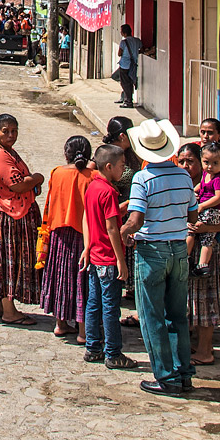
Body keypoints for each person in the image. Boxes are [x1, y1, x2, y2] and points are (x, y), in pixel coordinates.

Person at [122, 119, 195, 397]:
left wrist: (122, 233)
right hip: (179, 249)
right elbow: (192, 215)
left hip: (152, 251)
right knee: (177, 314)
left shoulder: (143, 179)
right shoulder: (184, 176)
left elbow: (137, 219)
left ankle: (166, 377)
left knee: (151, 315)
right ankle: (183, 372)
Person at [0, 113, 43, 325]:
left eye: (14, 131)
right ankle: (9, 311)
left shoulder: (3, 150)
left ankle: (0, 305)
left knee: (3, 259)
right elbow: (17, 185)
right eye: (6, 131)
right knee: (7, 261)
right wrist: (38, 178)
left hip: (6, 215)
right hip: (8, 216)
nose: (11, 135)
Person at [37, 136, 95, 340]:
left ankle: (60, 323)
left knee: (61, 279)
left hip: (59, 234)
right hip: (84, 235)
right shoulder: (93, 176)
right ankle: (83, 331)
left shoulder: (57, 173)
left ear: (66, 154)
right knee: (82, 282)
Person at [81, 146, 135, 369]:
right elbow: (112, 228)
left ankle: (93, 347)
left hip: (95, 255)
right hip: (108, 259)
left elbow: (90, 217)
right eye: (122, 166)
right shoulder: (109, 192)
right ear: (109, 166)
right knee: (111, 307)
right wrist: (121, 260)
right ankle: (113, 353)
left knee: (94, 303)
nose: (124, 170)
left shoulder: (93, 187)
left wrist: (87, 247)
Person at [188, 141, 220, 367]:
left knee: (205, 301)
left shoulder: (219, 184)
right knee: (195, 301)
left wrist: (206, 227)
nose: (188, 166)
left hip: (208, 251)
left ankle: (206, 350)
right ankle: (200, 346)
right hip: (193, 250)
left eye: (191, 162)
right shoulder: (195, 187)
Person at [113, 24, 140, 108]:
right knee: (129, 82)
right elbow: (141, 49)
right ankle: (125, 97)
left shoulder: (123, 42)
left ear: (124, 33)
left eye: (121, 31)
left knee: (125, 83)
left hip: (125, 65)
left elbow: (119, 53)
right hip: (133, 65)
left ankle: (128, 101)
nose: (120, 33)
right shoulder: (137, 41)